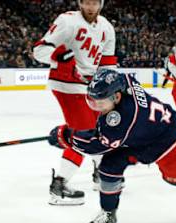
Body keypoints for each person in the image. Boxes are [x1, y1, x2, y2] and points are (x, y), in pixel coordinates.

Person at [48, 69, 176, 223]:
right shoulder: (124, 82)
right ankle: (108, 214)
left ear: (116, 97)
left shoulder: (121, 120)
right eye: (93, 101)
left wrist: (66, 136)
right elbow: (117, 78)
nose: (96, 106)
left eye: (101, 102)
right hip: (141, 136)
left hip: (169, 142)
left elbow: (97, 144)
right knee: (109, 167)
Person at [33, 0, 117, 205]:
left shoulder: (106, 27)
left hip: (90, 87)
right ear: (80, 3)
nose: (90, 7)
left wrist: (109, 87)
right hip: (66, 84)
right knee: (84, 135)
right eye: (86, 2)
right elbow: (39, 50)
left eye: (94, 3)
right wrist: (59, 57)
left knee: (102, 129)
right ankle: (59, 186)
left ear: (101, 4)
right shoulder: (67, 21)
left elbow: (107, 63)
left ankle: (102, 173)